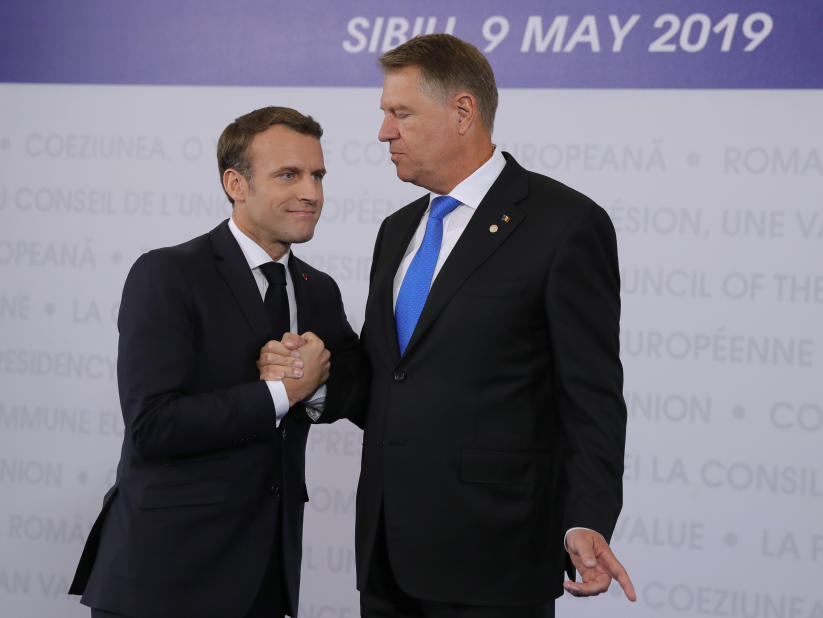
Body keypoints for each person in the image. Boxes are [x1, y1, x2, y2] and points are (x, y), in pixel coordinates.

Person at [263, 34, 634, 617]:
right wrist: (318, 376)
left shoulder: (565, 225)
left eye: (400, 113)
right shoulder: (397, 229)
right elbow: (396, 378)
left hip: (495, 562)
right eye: (385, 114)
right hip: (386, 559)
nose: (384, 132)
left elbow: (591, 397)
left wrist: (586, 518)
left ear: (463, 112)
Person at [69, 106, 366, 618]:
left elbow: (361, 390)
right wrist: (281, 394)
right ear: (236, 183)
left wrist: (312, 383)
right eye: (289, 175)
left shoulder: (320, 289)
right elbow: (153, 426)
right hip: (164, 580)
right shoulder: (167, 274)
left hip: (268, 581)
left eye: (317, 175)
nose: (311, 193)